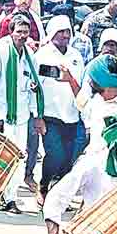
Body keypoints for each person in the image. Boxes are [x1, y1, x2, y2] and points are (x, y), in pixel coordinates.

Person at [0, 14, 46, 213]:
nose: (22, 35)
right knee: (2, 157)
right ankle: (1, 196)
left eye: (25, 32)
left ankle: (11, 198)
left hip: (22, 116)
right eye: (18, 31)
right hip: (4, 115)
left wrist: (36, 114)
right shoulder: (1, 52)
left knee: (20, 156)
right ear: (11, 32)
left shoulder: (30, 56)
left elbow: (33, 86)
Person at [34, 16, 85, 199]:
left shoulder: (76, 56)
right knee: (55, 154)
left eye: (68, 32)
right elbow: (35, 86)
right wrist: (37, 116)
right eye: (61, 31)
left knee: (69, 158)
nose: (65, 35)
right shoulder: (42, 56)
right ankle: (44, 185)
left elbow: (81, 85)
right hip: (50, 114)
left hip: (72, 114)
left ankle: (58, 194)